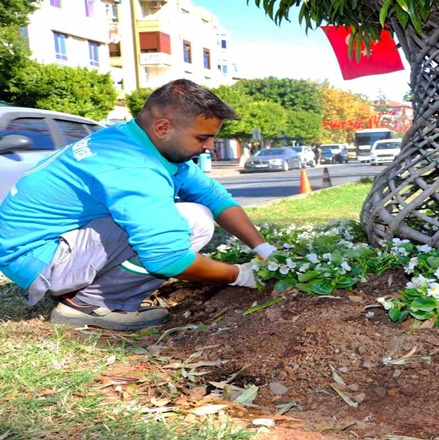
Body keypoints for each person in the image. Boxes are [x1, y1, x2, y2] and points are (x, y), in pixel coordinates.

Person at [0, 79, 276, 330]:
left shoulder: (133, 140)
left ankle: (91, 287)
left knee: (195, 211)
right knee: (194, 221)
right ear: (163, 128)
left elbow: (214, 197)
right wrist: (239, 275)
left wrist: (263, 248)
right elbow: (168, 259)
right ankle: (91, 303)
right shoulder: (132, 166)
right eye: (202, 137)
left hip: (44, 246)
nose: (210, 147)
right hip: (39, 259)